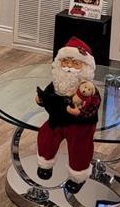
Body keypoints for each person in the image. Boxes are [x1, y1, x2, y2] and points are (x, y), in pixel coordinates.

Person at [35, 38, 101, 193]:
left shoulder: (88, 88)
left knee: (80, 148)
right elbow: (49, 95)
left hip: (80, 125)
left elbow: (94, 104)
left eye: (75, 63)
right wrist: (41, 100)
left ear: (85, 66)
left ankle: (77, 177)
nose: (69, 67)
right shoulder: (57, 83)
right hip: (57, 119)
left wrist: (81, 112)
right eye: (65, 62)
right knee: (46, 136)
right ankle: (45, 163)